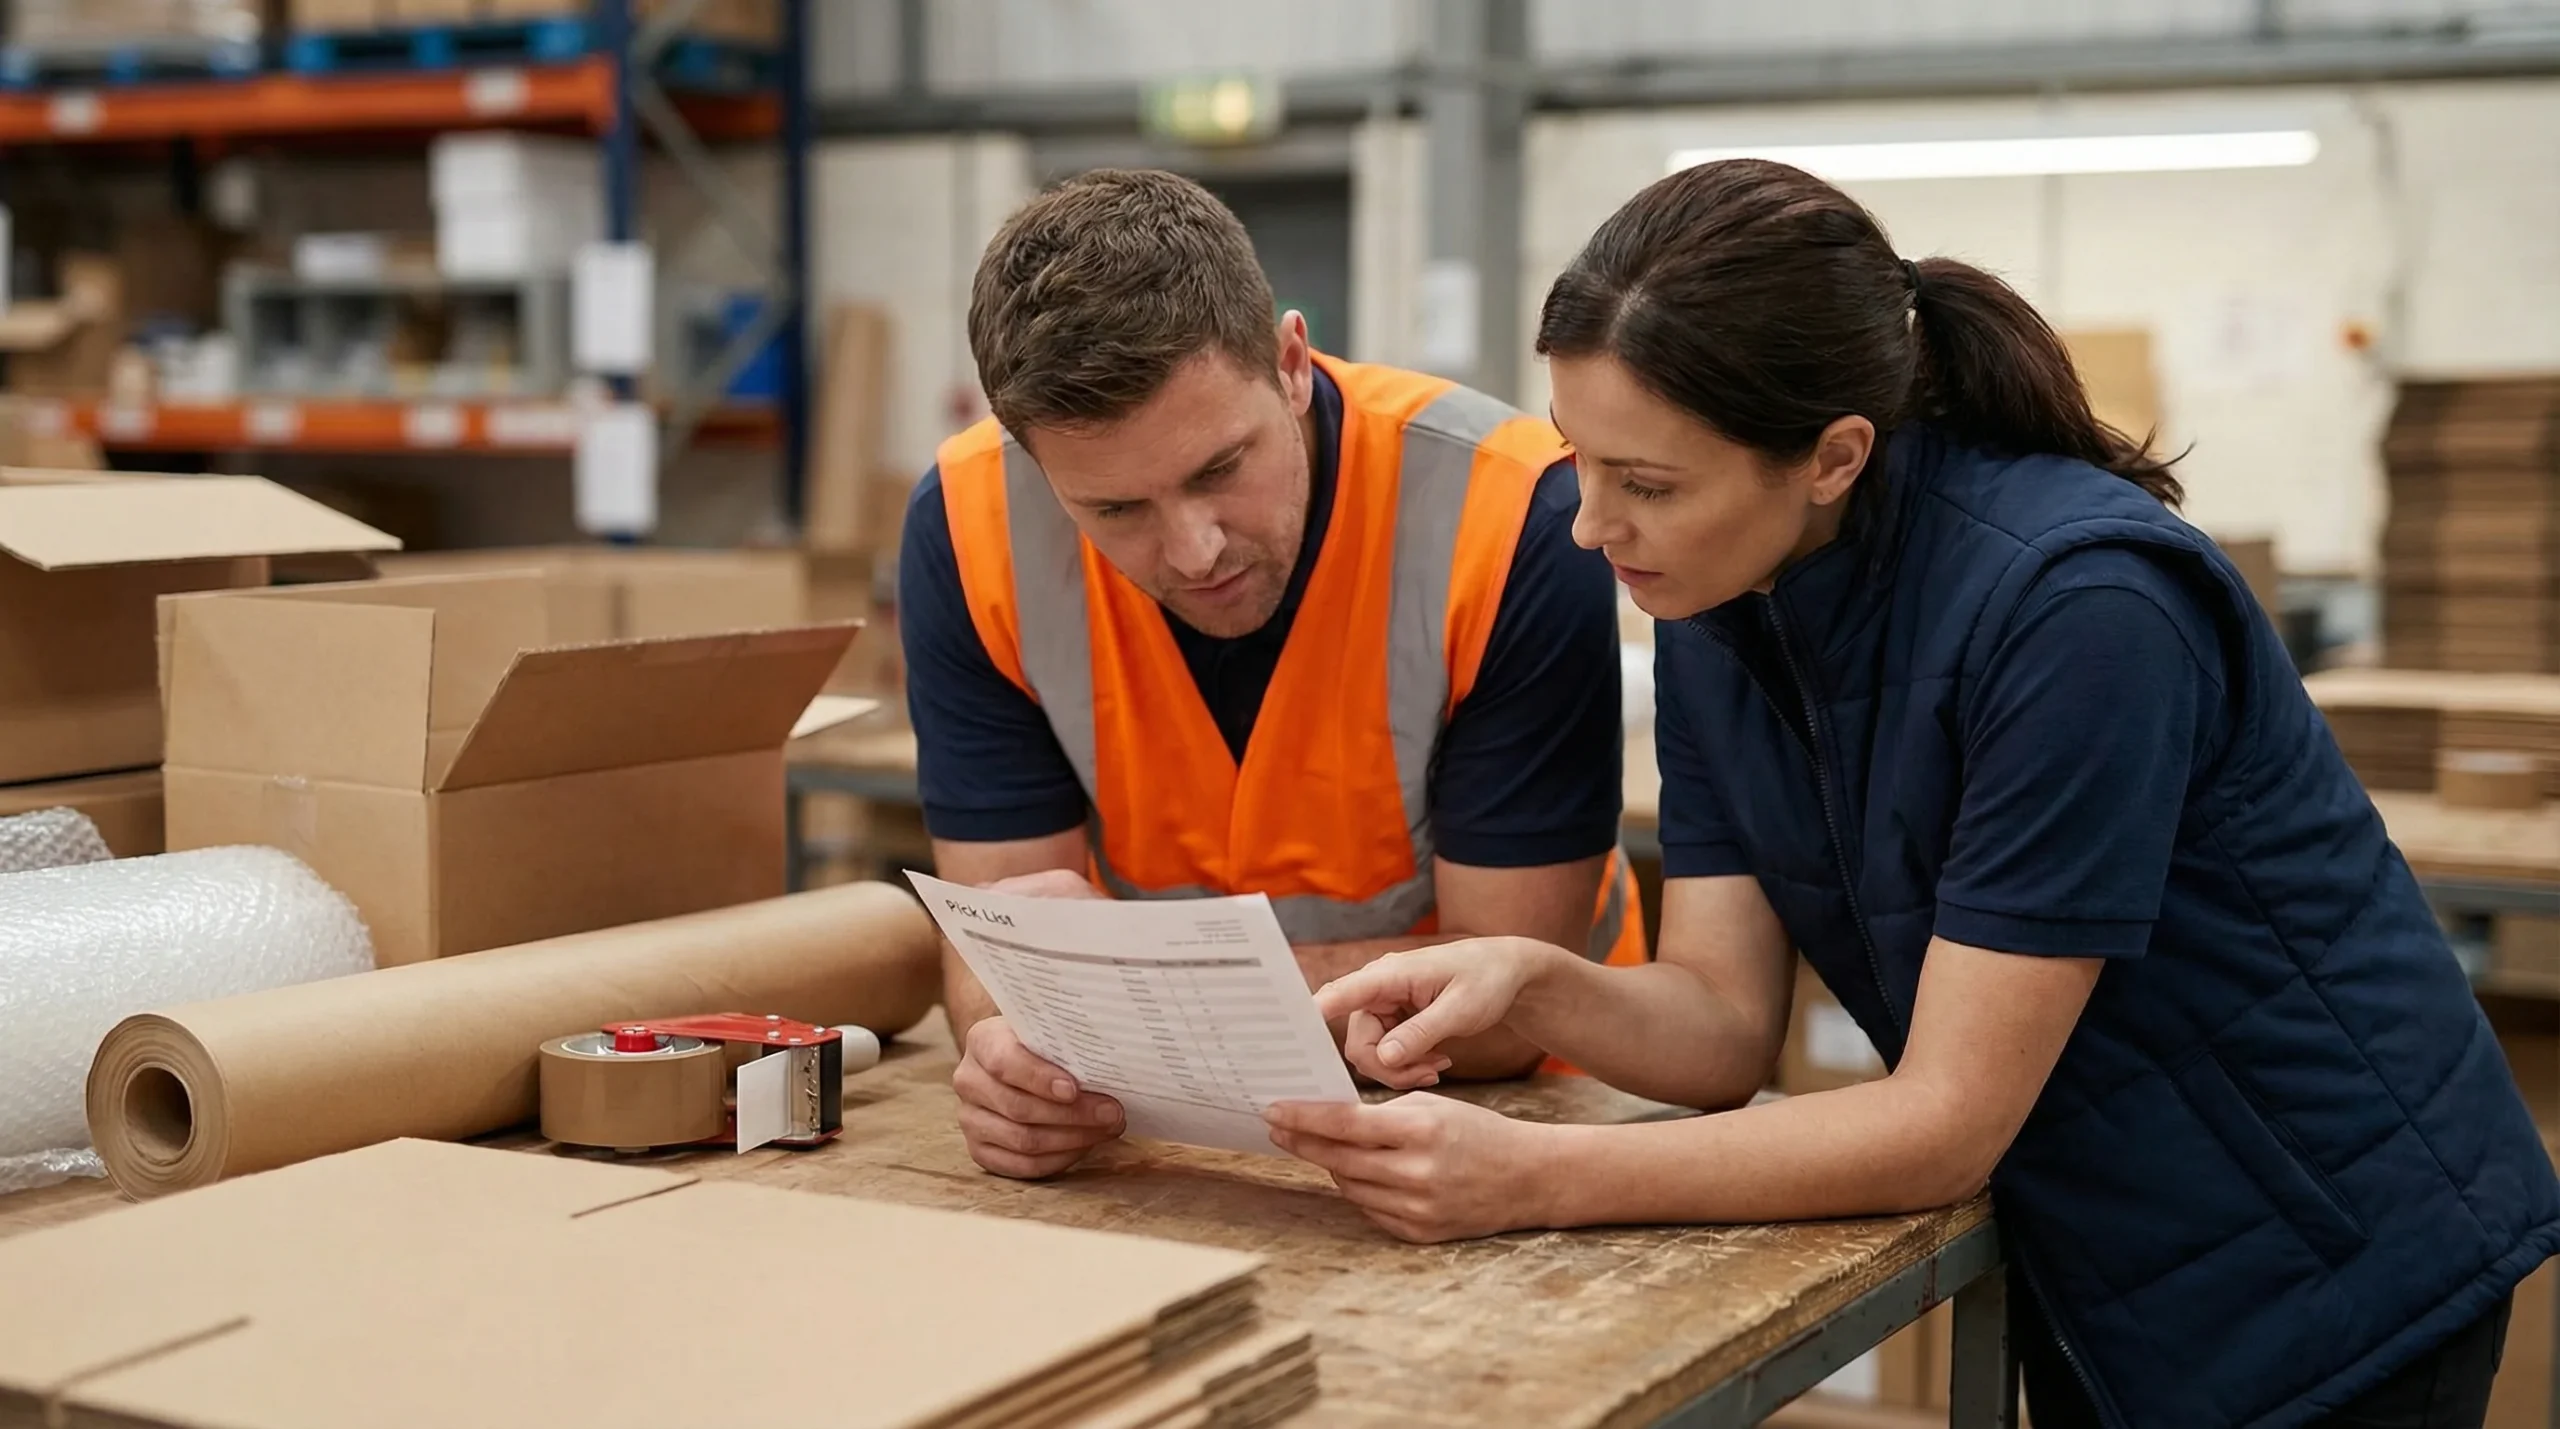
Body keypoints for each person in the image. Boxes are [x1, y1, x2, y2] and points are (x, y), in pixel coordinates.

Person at [1263, 159, 2560, 1429]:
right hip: (2113, 1237)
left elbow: (1943, 1124)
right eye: (1583, 464)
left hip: (2320, 1248)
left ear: (1833, 456)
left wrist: (1539, 1175)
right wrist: (1530, 979)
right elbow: (1720, 1025)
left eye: (1647, 484)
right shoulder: (1724, 604)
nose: (1591, 528)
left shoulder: (2080, 609)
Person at [899, 168, 1647, 1183]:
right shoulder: (967, 525)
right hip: (1167, 1135)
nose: (1195, 548)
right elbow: (999, 964)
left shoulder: (1514, 511)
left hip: (1527, 1120)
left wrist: (1110, 1004)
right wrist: (1014, 1063)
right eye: (1115, 509)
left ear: (1291, 363)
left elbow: (1502, 1011)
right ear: (1033, 461)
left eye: (1219, 469)